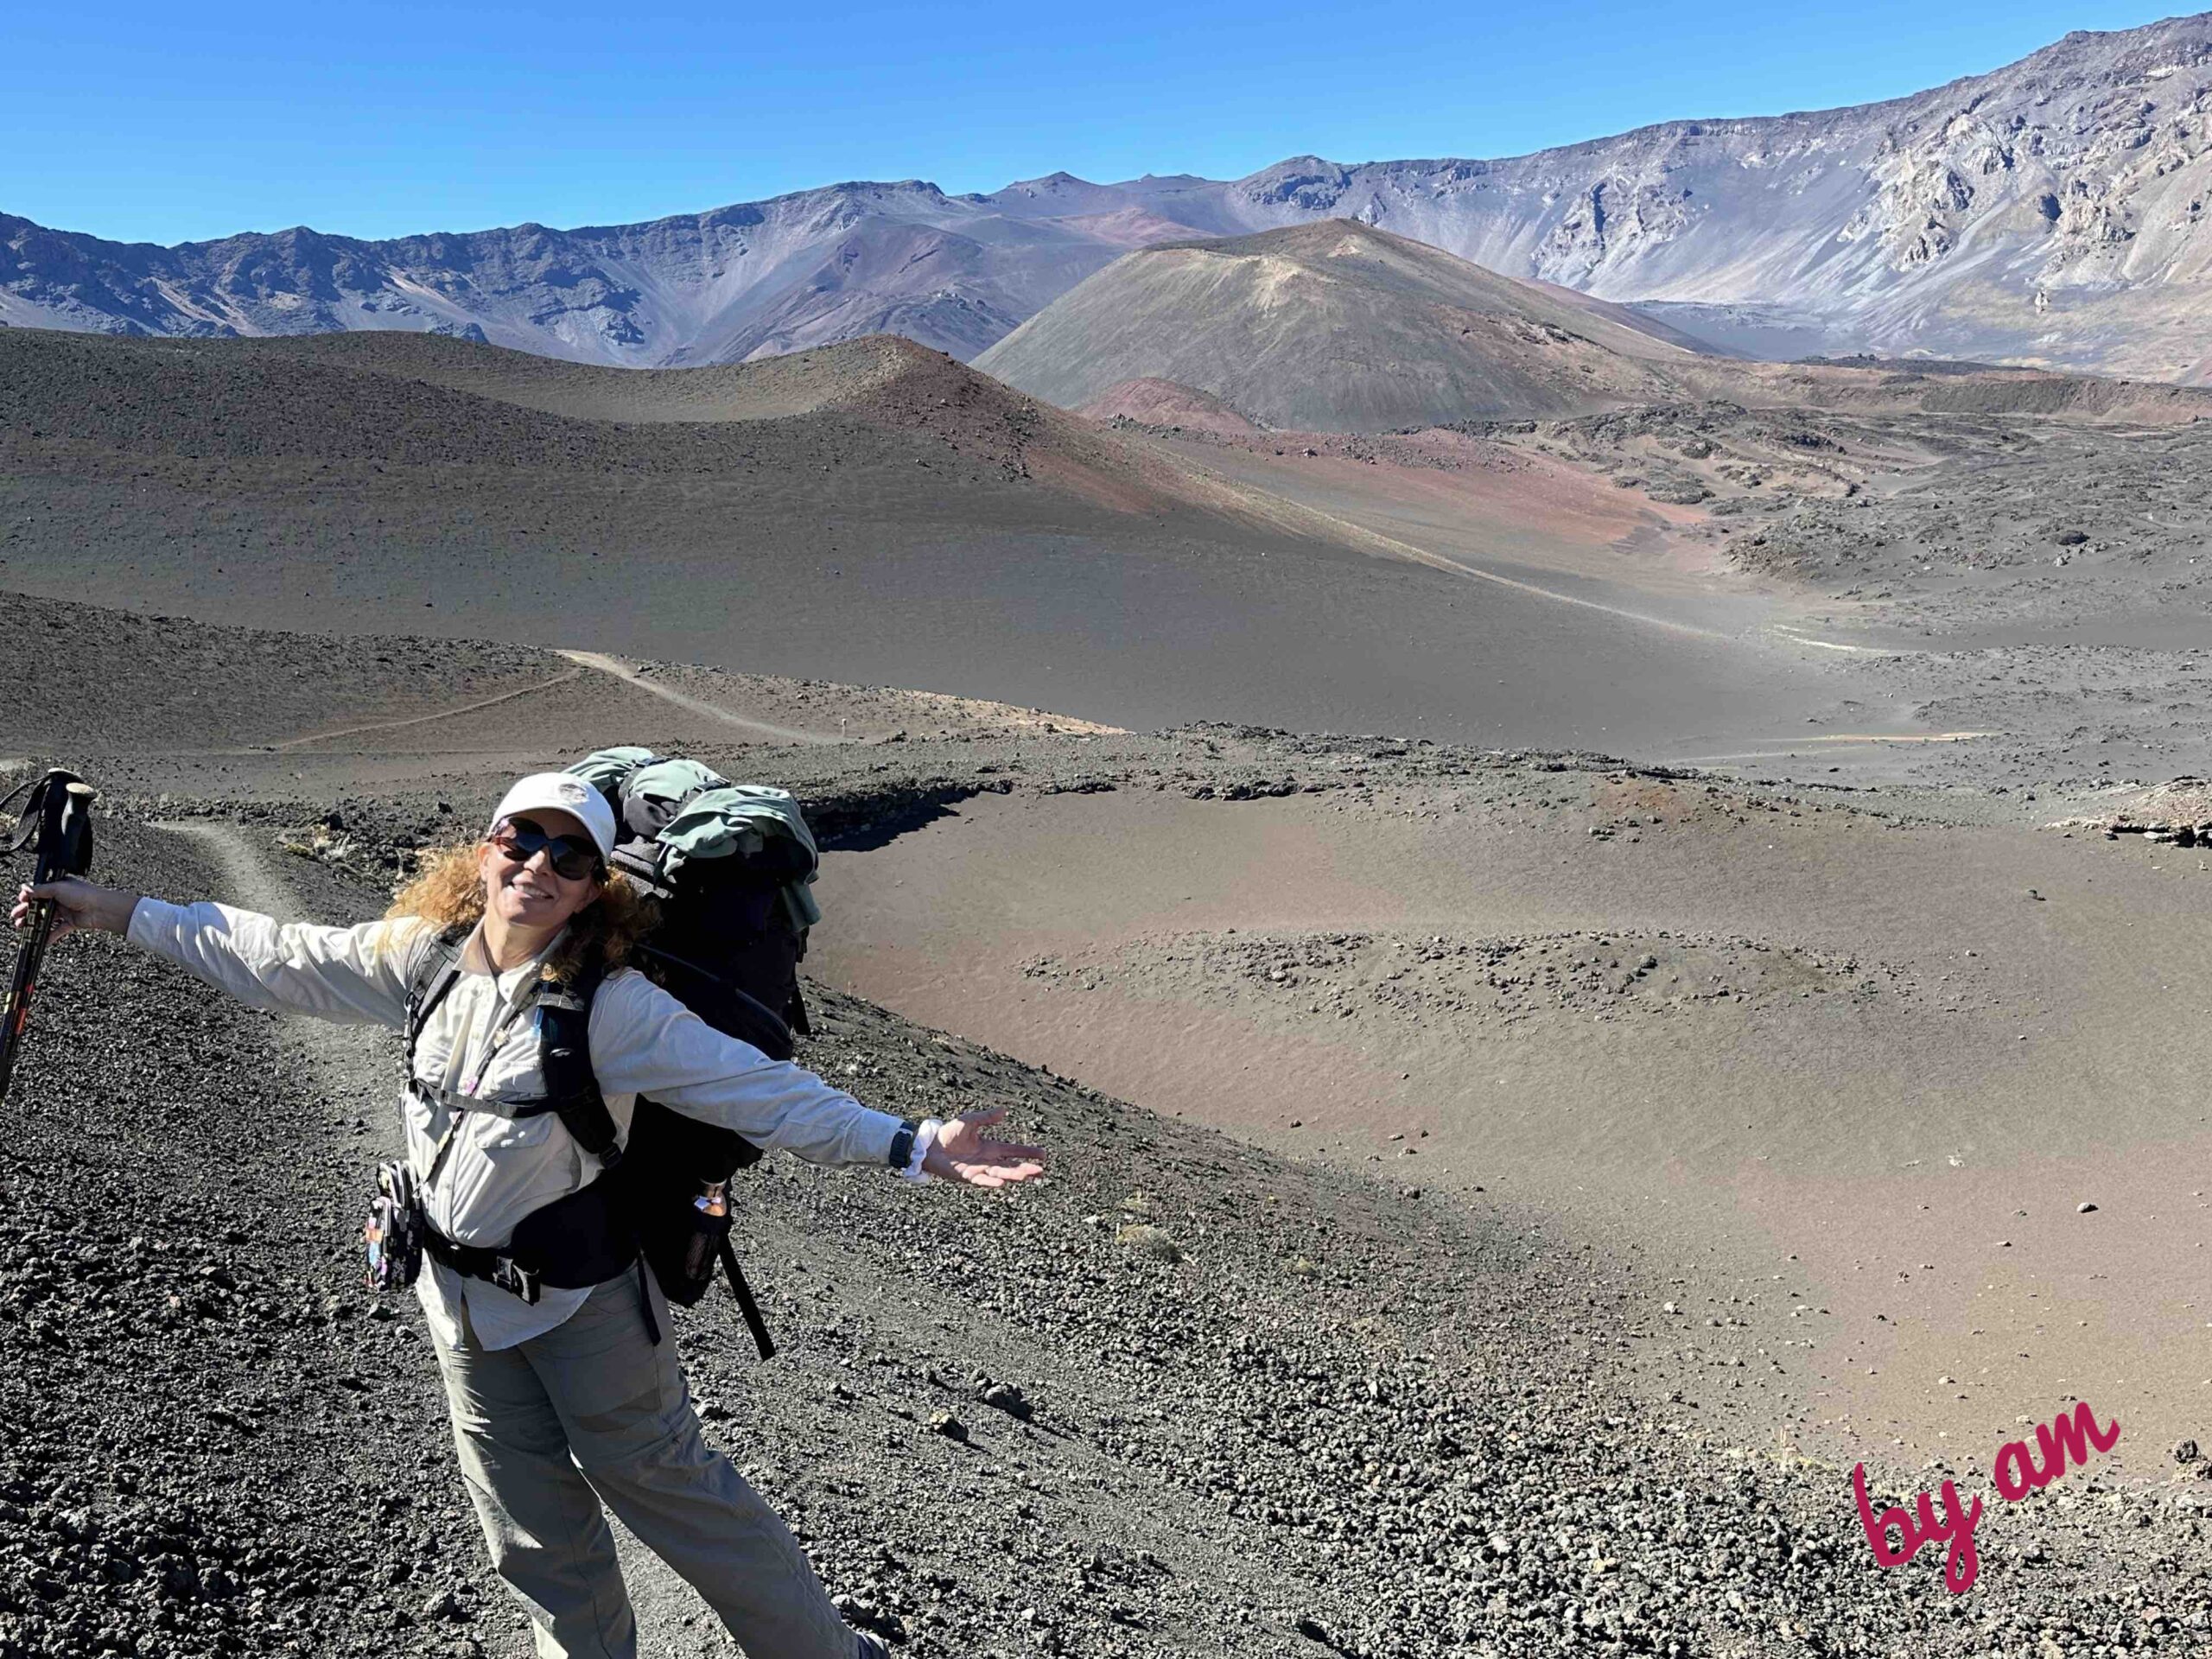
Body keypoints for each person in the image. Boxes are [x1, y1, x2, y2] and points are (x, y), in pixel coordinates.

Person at [14, 771, 1046, 1659]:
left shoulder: (615, 1005)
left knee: (673, 1494)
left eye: (570, 852)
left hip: (585, 1307)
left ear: (596, 886)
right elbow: (279, 951)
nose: (539, 863)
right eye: (523, 837)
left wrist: (912, 1144)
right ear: (487, 848)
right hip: (457, 1302)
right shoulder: (423, 958)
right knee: (533, 1535)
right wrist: (115, 911)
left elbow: (758, 1091)